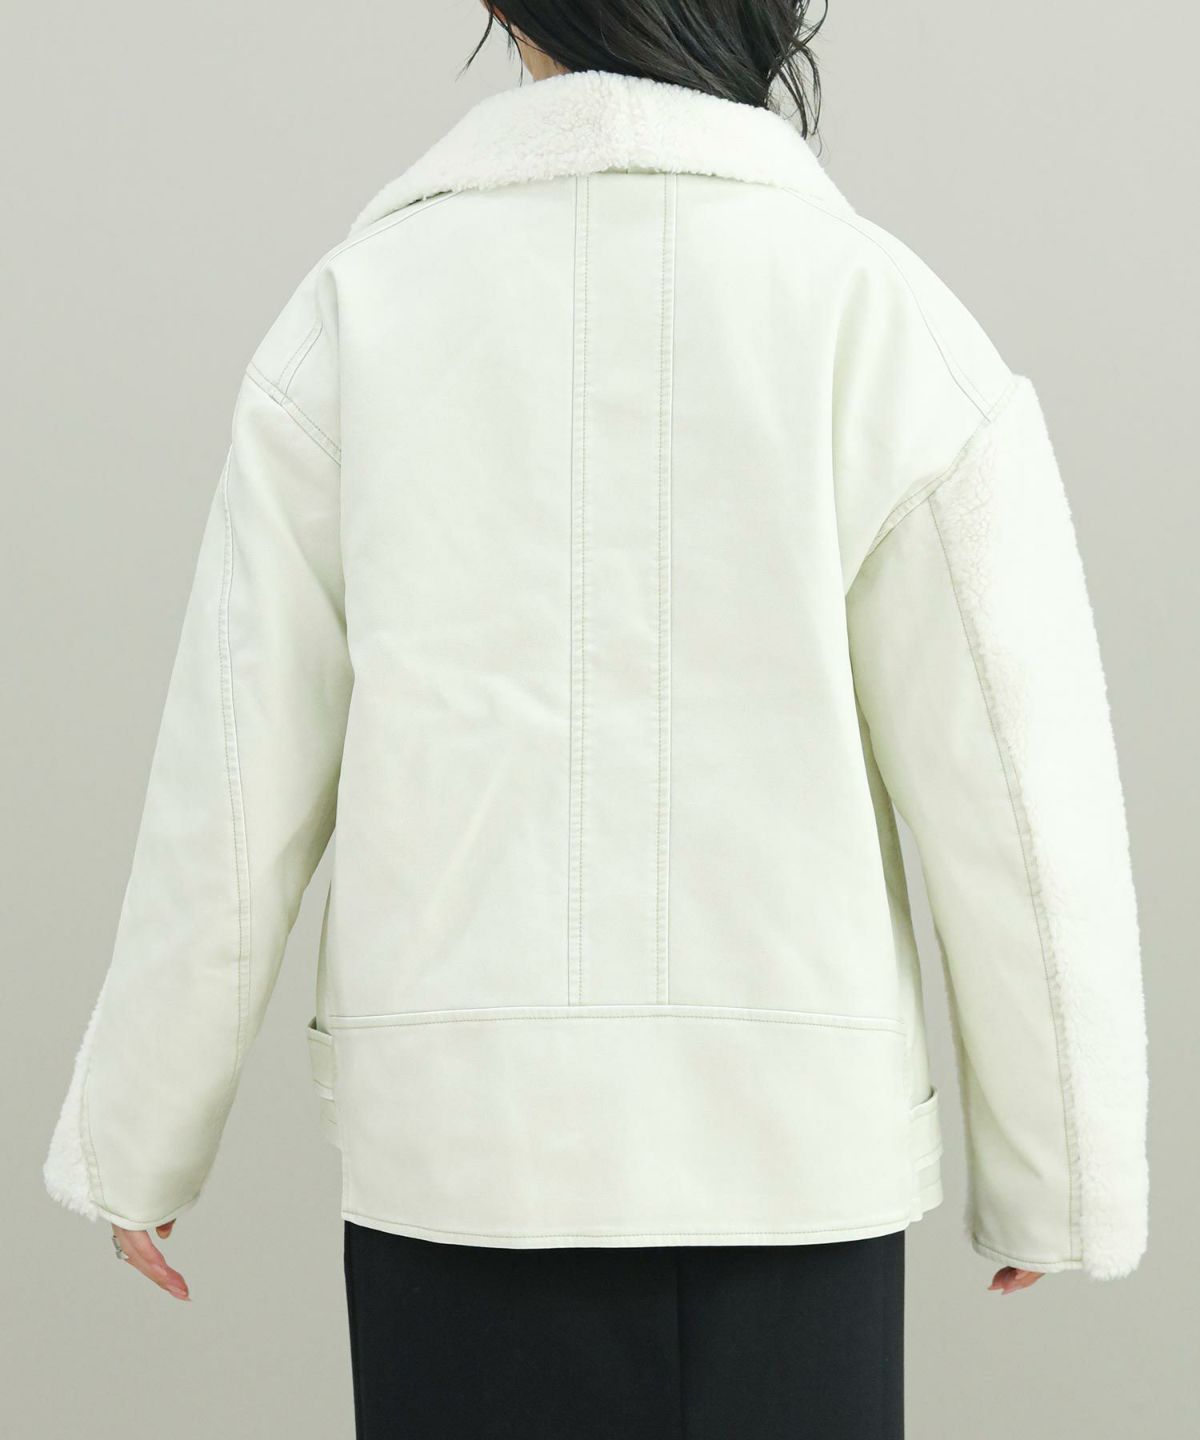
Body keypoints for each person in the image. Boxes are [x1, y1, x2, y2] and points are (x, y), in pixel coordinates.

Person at [44, 3, 1149, 1436]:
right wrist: (1062, 1172)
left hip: (465, 1170)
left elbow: (236, 784)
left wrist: (138, 1135)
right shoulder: (880, 315)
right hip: (795, 1176)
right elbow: (1016, 785)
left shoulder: (359, 315)